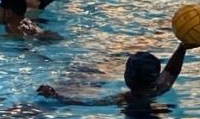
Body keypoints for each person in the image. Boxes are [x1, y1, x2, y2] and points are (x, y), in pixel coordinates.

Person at [37, 44, 190, 109]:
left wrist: (54, 95)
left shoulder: (124, 99)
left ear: (127, 78)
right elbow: (171, 72)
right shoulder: (158, 89)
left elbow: (83, 104)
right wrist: (182, 47)